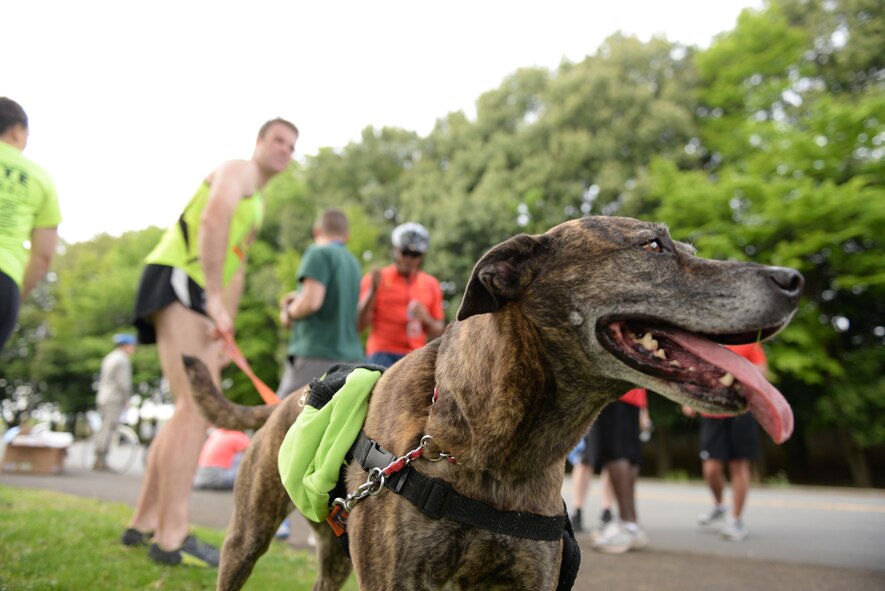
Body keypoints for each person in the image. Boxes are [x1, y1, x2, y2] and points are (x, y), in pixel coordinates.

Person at [123, 117, 298, 567]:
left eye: (292, 145)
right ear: (259, 143)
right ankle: (171, 535)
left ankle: (142, 522)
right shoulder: (237, 171)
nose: (286, 150)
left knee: (187, 407)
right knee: (196, 409)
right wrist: (213, 298)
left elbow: (236, 265)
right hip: (184, 280)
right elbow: (214, 218)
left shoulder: (256, 202)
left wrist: (226, 322)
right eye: (278, 140)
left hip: (200, 294)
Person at [682, 342, 767, 541]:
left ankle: (735, 519)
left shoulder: (748, 342)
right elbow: (694, 372)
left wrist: (738, 372)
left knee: (739, 465)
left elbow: (762, 371)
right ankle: (720, 506)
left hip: (740, 412)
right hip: (712, 414)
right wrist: (689, 399)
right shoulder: (707, 341)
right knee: (711, 469)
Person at [276, 207, 364, 398]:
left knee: (280, 418)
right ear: (346, 236)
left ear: (317, 231)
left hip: (316, 354)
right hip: (351, 358)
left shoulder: (318, 253)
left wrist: (289, 312)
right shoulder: (353, 263)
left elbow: (312, 302)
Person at [0, 97, 61, 353]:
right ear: (17, 130)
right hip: (5, 277)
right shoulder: (40, 177)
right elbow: (43, 255)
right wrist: (17, 292)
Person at [357, 222, 445, 367]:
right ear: (395, 250)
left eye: (415, 254)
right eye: (405, 253)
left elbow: (438, 333)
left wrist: (426, 319)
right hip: (381, 354)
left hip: (416, 354)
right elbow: (359, 326)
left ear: (421, 257)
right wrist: (372, 291)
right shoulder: (378, 278)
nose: (409, 259)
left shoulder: (431, 284)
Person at [589, 387, 652, 554]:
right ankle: (632, 524)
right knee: (629, 455)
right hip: (633, 391)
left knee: (615, 453)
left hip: (612, 389)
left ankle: (627, 524)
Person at [93, 333, 137, 471]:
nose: (133, 349)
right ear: (126, 346)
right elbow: (123, 383)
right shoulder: (122, 360)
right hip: (113, 398)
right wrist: (126, 399)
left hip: (103, 396)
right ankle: (101, 459)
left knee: (104, 427)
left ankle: (99, 458)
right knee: (109, 428)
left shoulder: (110, 357)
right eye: (132, 346)